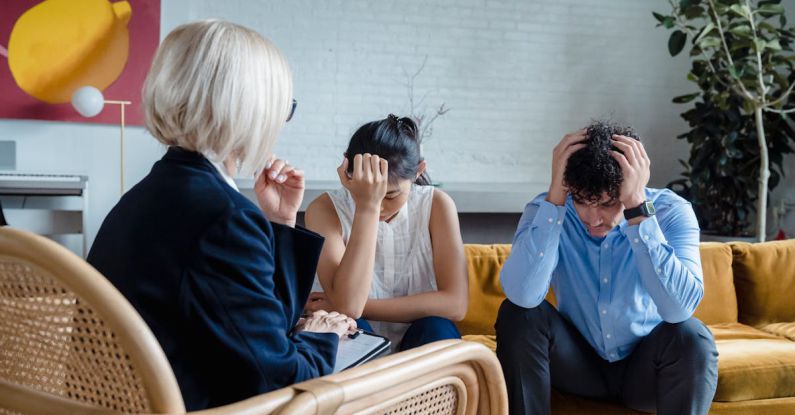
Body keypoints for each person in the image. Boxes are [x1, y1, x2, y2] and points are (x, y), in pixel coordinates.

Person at [87, 20, 355, 410]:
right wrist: (321, 333)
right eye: (285, 109)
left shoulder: (148, 196)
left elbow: (255, 330)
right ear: (251, 110)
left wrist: (280, 224)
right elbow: (283, 385)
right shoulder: (224, 218)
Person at [495, 121, 718, 415]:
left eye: (608, 204)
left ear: (633, 186)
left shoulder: (670, 211)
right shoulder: (546, 209)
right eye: (583, 201)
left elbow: (679, 310)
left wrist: (637, 209)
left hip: (645, 372)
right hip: (578, 366)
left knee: (692, 337)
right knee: (518, 315)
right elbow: (523, 295)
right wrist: (556, 201)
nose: (592, 218)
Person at [303, 115, 468, 352]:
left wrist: (360, 305)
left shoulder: (437, 205)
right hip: (354, 335)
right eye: (368, 192)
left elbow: (456, 304)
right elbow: (349, 308)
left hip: (420, 340)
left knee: (438, 327)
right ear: (348, 173)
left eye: (390, 195)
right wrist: (365, 207)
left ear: (418, 172)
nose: (379, 205)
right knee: (348, 325)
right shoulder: (324, 210)